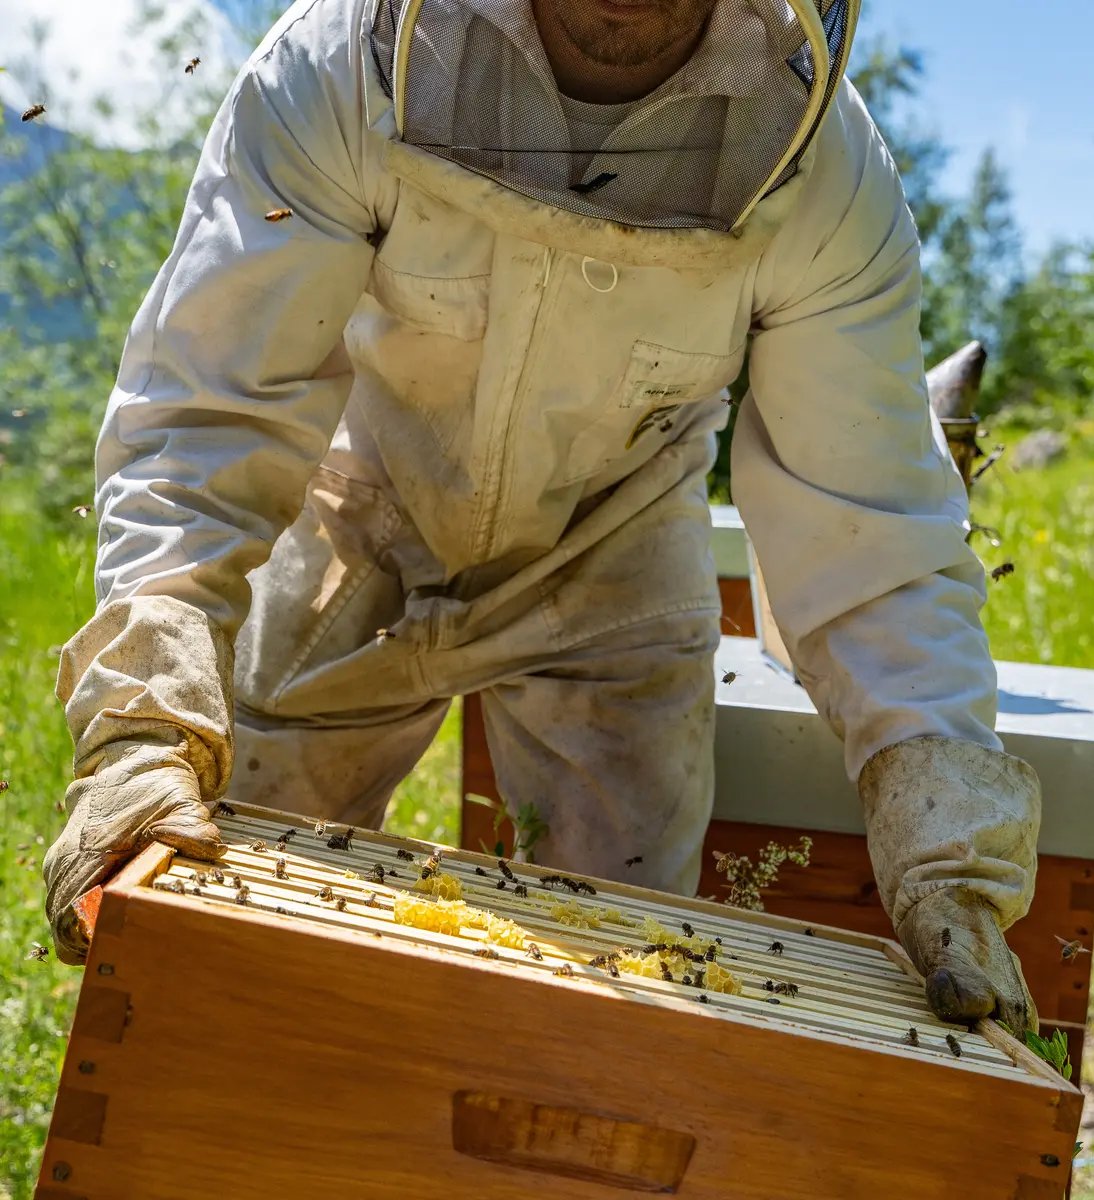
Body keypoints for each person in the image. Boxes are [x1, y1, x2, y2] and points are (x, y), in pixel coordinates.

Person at [42, 0, 1040, 1032]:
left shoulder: (827, 176)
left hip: (616, 543)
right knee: (226, 951)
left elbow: (867, 516)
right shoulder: (337, 64)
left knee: (622, 990)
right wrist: (142, 729)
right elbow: (210, 410)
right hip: (362, 514)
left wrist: (946, 849)